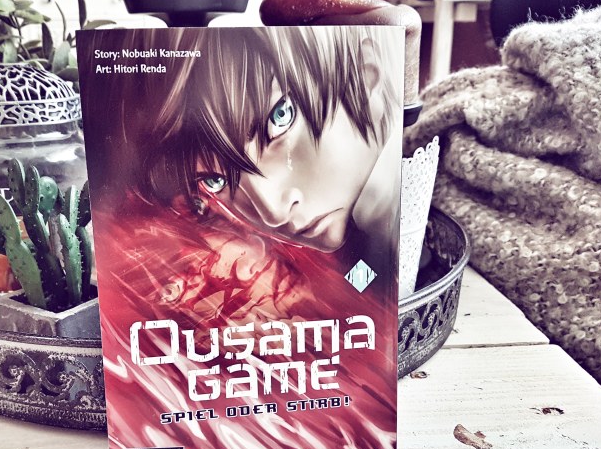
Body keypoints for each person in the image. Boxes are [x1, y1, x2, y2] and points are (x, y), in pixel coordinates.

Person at [111, 25, 404, 272]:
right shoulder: (358, 252)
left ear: (365, 78)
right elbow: (367, 284)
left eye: (281, 117)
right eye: (215, 181)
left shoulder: (411, 181)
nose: (272, 213)